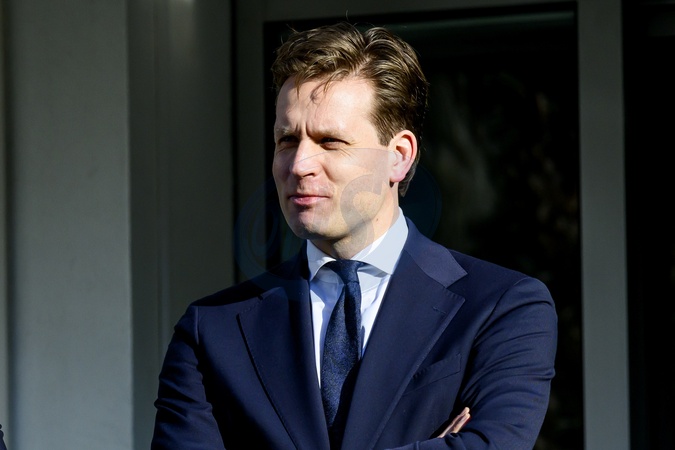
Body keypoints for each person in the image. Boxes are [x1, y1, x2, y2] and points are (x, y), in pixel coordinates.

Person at [151, 21, 557, 450]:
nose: (299, 164)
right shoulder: (212, 331)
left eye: (330, 141)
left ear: (399, 157)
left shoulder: (501, 307)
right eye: (287, 140)